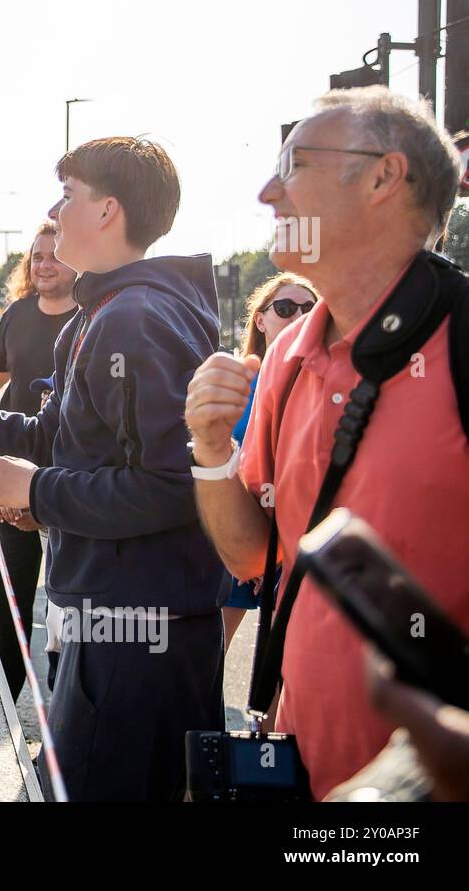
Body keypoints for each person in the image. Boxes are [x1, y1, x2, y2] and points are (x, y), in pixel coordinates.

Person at [0, 137, 228, 800]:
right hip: (118, 622)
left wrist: (38, 491)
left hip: (133, 636)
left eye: (68, 195)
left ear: (108, 212)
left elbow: (170, 486)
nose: (55, 210)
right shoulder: (110, 312)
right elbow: (56, 436)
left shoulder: (134, 318)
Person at [186, 87, 469, 799]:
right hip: (301, 765)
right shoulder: (283, 358)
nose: (266, 191)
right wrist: (211, 449)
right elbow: (253, 557)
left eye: (295, 164)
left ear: (383, 177)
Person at [0, 222, 79, 699]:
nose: (44, 265)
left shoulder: (93, 316)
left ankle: (67, 704)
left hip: (70, 469)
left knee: (69, 596)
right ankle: (1, 699)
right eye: (36, 257)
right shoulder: (18, 314)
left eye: (53, 255)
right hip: (13, 462)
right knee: (11, 592)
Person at [219, 273, 316, 653]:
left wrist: (278, 552)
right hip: (237, 541)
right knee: (208, 661)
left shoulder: (328, 385)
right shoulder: (237, 382)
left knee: (280, 671)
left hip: (295, 547)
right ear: (260, 319)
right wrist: (250, 551)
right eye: (286, 308)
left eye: (310, 309)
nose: (299, 317)